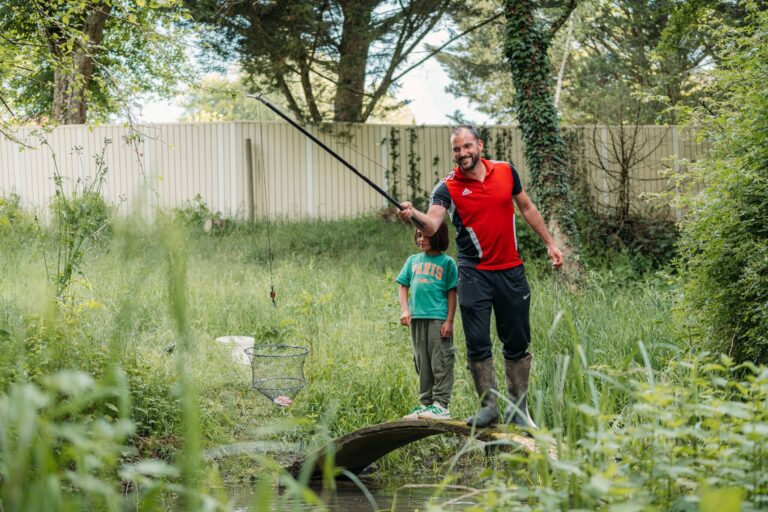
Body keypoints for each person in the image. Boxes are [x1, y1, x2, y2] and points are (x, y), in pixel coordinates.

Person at [398, 125, 564, 429]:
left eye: (467, 146)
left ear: (480, 146)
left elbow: (526, 207)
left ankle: (518, 409)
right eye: (456, 149)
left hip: (511, 271)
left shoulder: (505, 171)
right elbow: (432, 225)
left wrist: (551, 243)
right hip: (474, 273)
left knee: (516, 341)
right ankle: (489, 407)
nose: (462, 154)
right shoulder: (446, 187)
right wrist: (413, 215)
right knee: (477, 342)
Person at [396, 223, 458, 420]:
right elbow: (403, 285)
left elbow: (452, 293)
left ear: (438, 236)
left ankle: (441, 405)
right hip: (417, 319)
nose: (421, 239)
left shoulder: (447, 263)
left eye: (425, 236)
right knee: (421, 361)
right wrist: (405, 309)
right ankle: (426, 404)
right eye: (418, 235)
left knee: (440, 360)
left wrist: (449, 321)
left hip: (438, 319)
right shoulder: (413, 260)